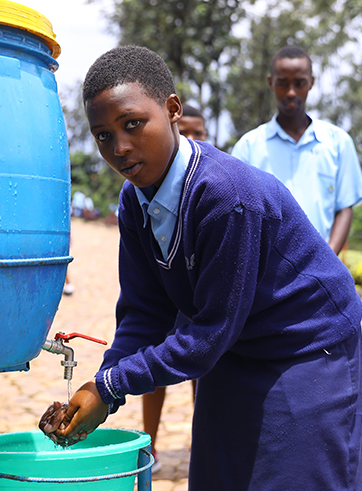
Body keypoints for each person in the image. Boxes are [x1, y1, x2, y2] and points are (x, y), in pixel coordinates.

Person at [39, 45, 362, 490]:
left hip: (306, 349)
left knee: (297, 478)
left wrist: (112, 386)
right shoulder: (134, 200)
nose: (120, 148)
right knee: (221, 476)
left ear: (172, 110)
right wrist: (103, 383)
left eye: (133, 124)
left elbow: (209, 333)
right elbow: (144, 311)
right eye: (102, 136)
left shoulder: (226, 197)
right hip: (234, 347)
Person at [231, 46, 362, 255]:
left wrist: (327, 261)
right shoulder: (248, 147)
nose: (291, 92)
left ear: (311, 82)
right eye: (282, 84)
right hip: (266, 275)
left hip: (321, 271)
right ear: (270, 83)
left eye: (299, 83)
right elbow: (240, 215)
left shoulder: (338, 142)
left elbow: (344, 208)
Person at [140, 104, 206, 472]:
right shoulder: (139, 196)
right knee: (154, 365)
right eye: (189, 132)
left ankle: (205, 439)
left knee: (204, 369)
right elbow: (139, 302)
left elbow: (212, 333)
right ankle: (151, 444)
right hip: (169, 294)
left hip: (203, 297)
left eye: (201, 134)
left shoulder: (213, 190)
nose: (193, 141)